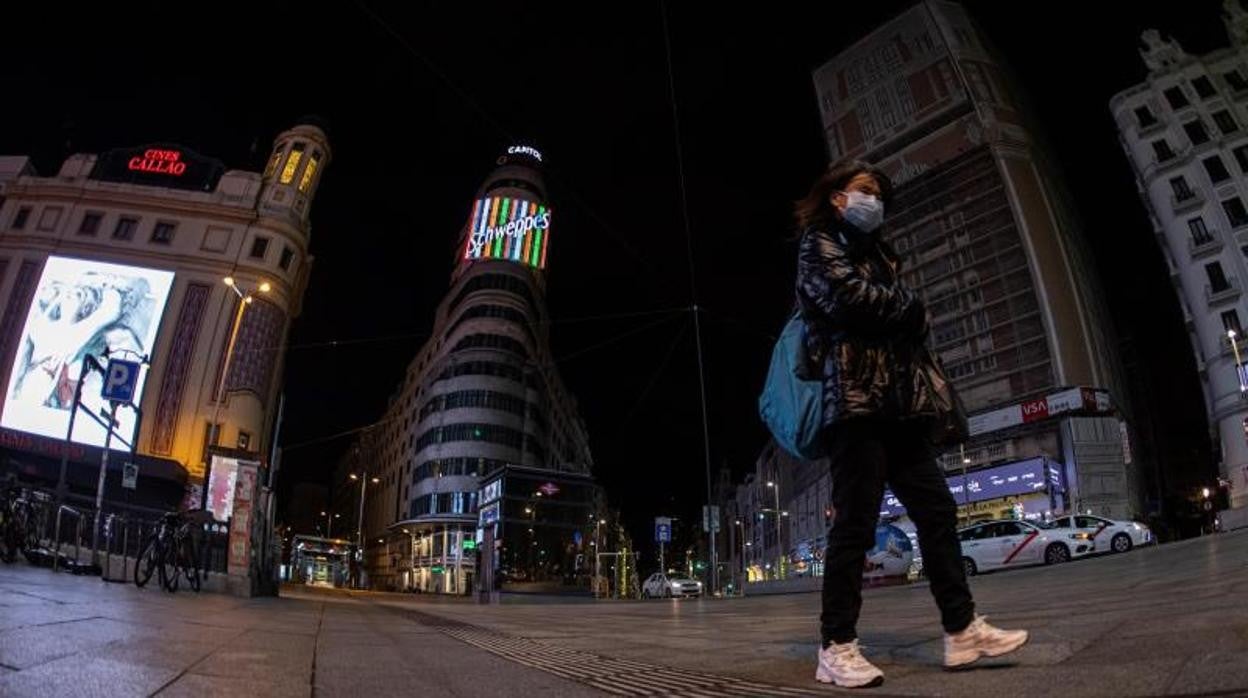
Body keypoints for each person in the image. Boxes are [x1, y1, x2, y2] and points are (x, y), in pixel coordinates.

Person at [794, 160, 1028, 688]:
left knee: (937, 509)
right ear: (836, 197)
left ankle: (962, 629)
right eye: (864, 190)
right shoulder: (818, 243)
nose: (873, 200)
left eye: (879, 193)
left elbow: (888, 315)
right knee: (855, 523)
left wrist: (900, 308)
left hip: (900, 403)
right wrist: (910, 303)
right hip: (855, 401)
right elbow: (847, 300)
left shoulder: (878, 252)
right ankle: (835, 646)